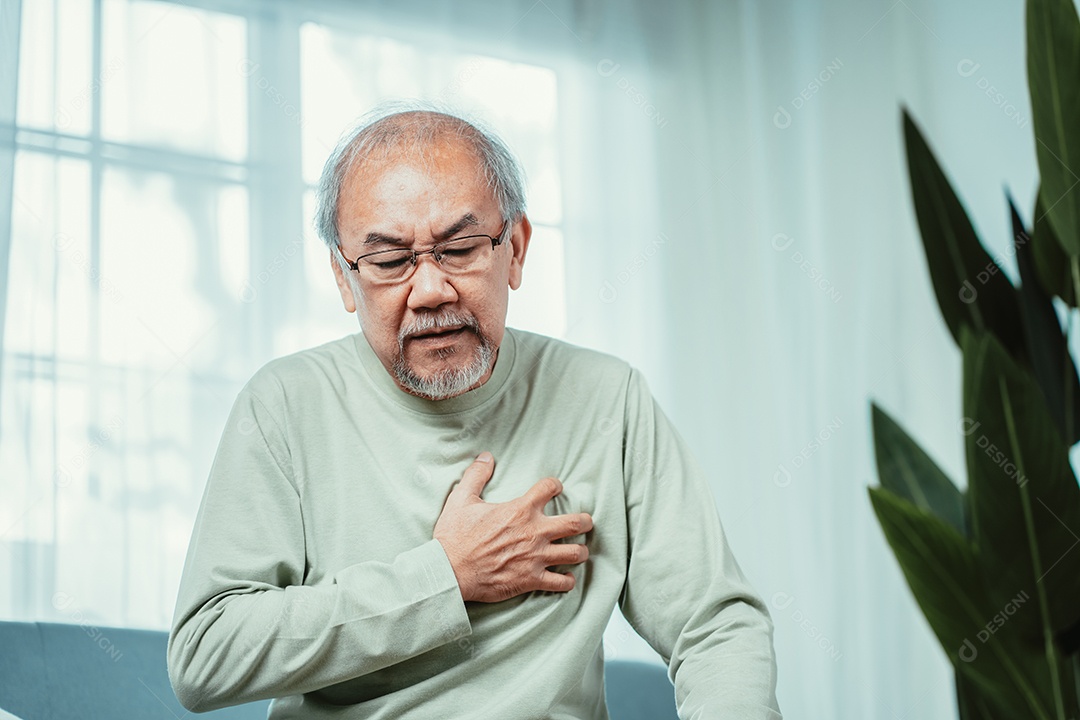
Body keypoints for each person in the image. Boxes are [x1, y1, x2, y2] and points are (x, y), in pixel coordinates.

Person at [167, 103, 781, 719]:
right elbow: (205, 655)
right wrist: (444, 578)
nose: (431, 290)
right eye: (388, 262)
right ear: (342, 277)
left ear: (514, 249)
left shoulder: (607, 397)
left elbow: (714, 628)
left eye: (460, 249)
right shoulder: (284, 404)